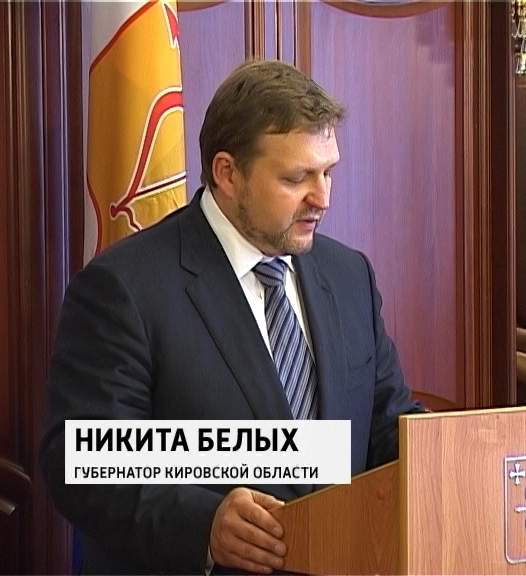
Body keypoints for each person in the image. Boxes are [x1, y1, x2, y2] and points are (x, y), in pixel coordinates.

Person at [40, 60, 424, 575]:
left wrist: (458, 456)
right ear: (227, 173)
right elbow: (78, 460)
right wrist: (204, 525)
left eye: (328, 172)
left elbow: (385, 424)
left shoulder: (349, 274)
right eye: (296, 178)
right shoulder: (125, 287)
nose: (323, 198)